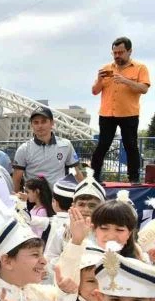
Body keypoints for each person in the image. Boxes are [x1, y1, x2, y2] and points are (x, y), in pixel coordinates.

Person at [90, 37, 150, 183]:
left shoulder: (140, 67)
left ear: (129, 51)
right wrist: (99, 80)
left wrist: (125, 81)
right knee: (102, 145)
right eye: (115, 53)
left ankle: (134, 179)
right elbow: (94, 91)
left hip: (129, 114)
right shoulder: (106, 69)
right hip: (107, 114)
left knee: (131, 146)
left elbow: (144, 89)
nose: (117, 56)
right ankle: (93, 177)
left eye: (121, 52)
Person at [13, 106, 83, 192]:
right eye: (36, 122)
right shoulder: (24, 149)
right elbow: (17, 179)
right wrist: (15, 200)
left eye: (44, 121)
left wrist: (84, 191)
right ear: (31, 125)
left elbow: (75, 171)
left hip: (58, 198)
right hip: (35, 200)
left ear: (52, 123)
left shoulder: (65, 145)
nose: (40, 126)